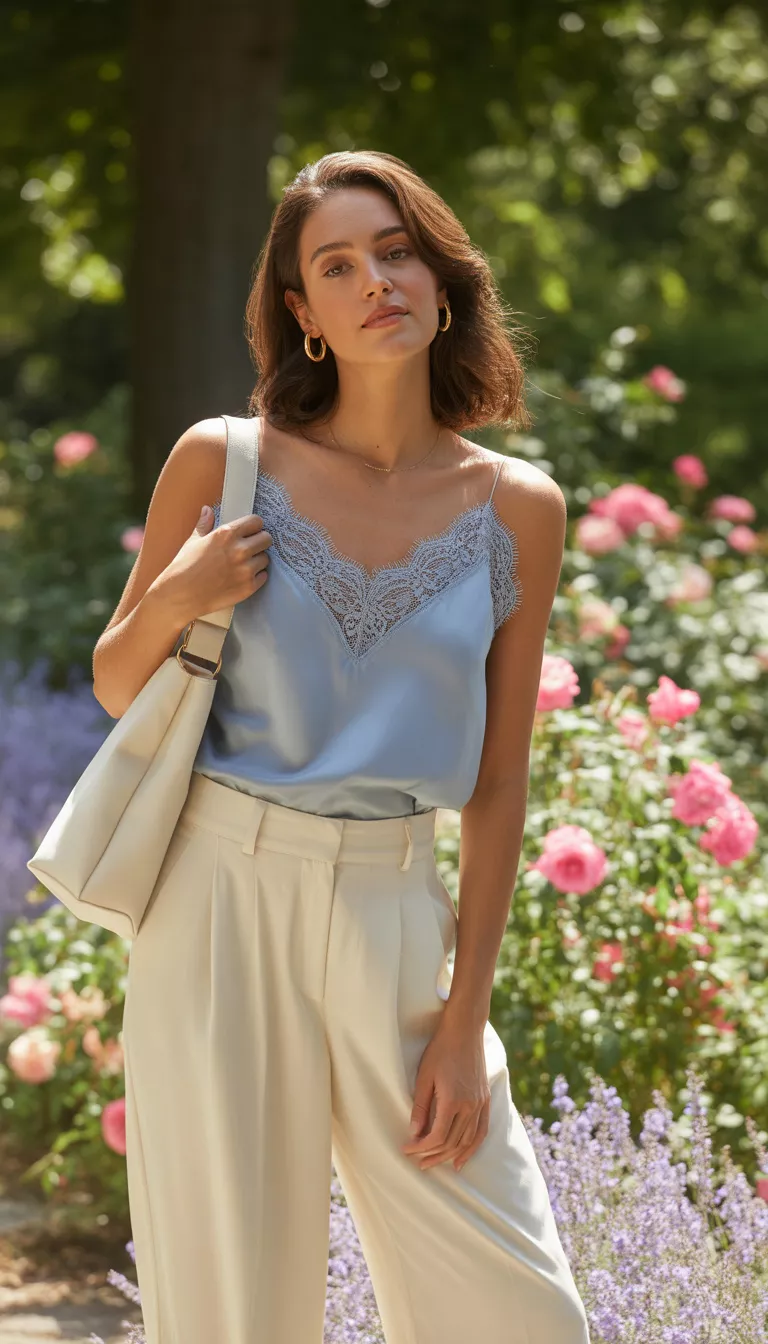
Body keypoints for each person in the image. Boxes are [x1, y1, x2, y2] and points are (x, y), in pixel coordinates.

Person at [93, 149, 591, 1344]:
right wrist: (181, 591)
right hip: (215, 907)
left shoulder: (519, 507)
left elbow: (500, 780)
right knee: (231, 1315)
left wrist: (465, 1018)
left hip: (394, 916)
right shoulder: (224, 460)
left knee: (521, 1312)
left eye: (398, 250)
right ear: (303, 315)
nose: (376, 279)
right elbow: (119, 681)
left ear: (443, 279)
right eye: (338, 264)